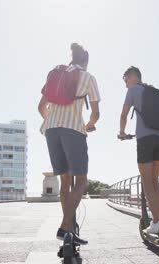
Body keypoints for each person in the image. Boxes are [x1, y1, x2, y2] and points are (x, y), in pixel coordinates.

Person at [38, 43, 101, 245]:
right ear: (86, 61)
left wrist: (53, 121)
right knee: (81, 181)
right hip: (73, 130)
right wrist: (89, 125)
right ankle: (66, 227)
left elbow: (40, 107)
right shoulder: (89, 77)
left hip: (51, 130)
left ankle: (68, 233)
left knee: (65, 181)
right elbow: (96, 114)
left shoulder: (58, 75)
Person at [119, 66, 159, 234]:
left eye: (126, 80)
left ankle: (156, 222)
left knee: (146, 181)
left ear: (132, 77)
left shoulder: (133, 90)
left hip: (145, 139)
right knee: (155, 179)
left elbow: (123, 115)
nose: (126, 85)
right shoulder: (154, 90)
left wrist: (122, 133)